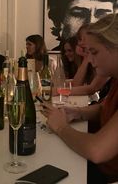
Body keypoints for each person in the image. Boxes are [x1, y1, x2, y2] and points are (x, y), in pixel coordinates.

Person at [44, 13, 118, 183]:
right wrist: (76, 113)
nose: (90, 60)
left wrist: (61, 127)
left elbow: (97, 151)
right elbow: (102, 107)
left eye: (94, 52)